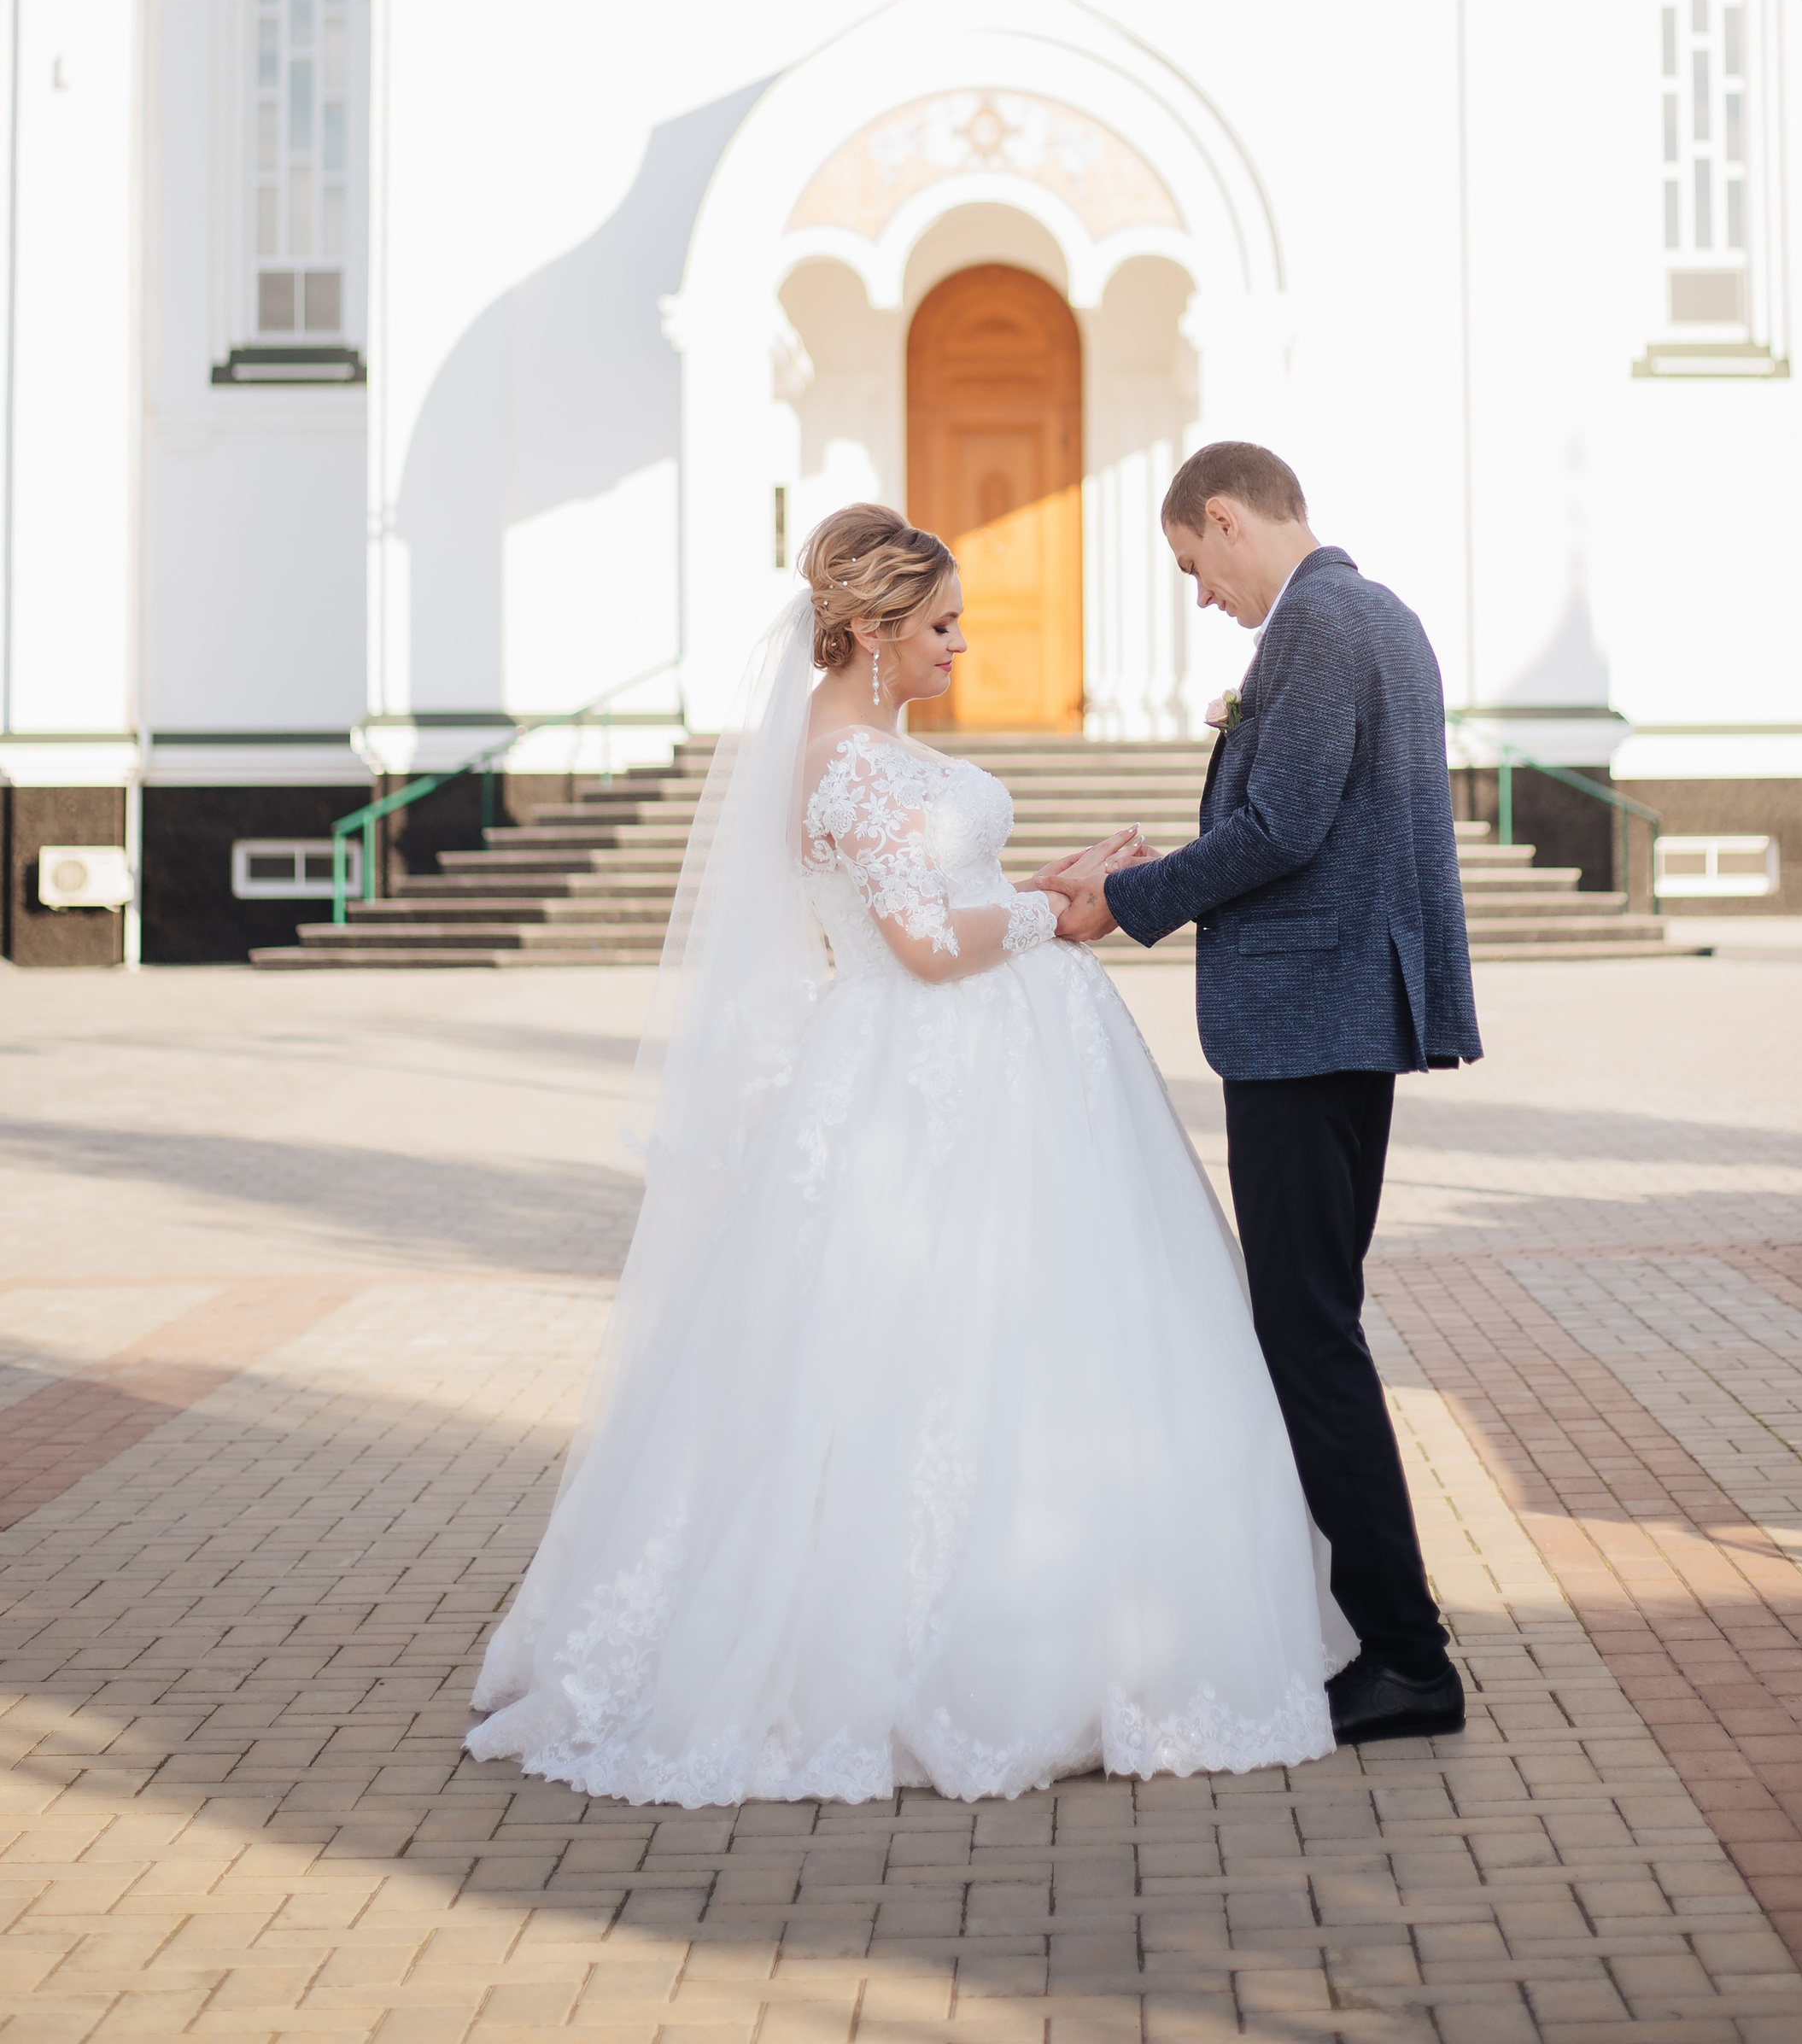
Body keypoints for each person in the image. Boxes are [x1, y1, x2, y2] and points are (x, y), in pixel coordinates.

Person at [466, 502, 1349, 1807]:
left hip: (958, 1063)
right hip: (934, 1076)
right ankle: (967, 1658)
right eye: (941, 624)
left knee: (1001, 1343)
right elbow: (925, 948)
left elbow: (931, 904)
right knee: (950, 1350)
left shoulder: (863, 749)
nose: (963, 645)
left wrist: (1041, 877)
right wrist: (1058, 911)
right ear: (874, 630)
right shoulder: (852, 766)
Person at [1045, 443, 1479, 1747]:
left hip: (1309, 1025)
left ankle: (1406, 1654)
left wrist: (1123, 902)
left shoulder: (1325, 628)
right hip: (1340, 1016)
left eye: (1192, 564)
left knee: (1305, 1333)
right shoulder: (1369, 615)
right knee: (1316, 1321)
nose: (1198, 595)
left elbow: (1284, 828)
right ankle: (1389, 1636)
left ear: (1225, 519)